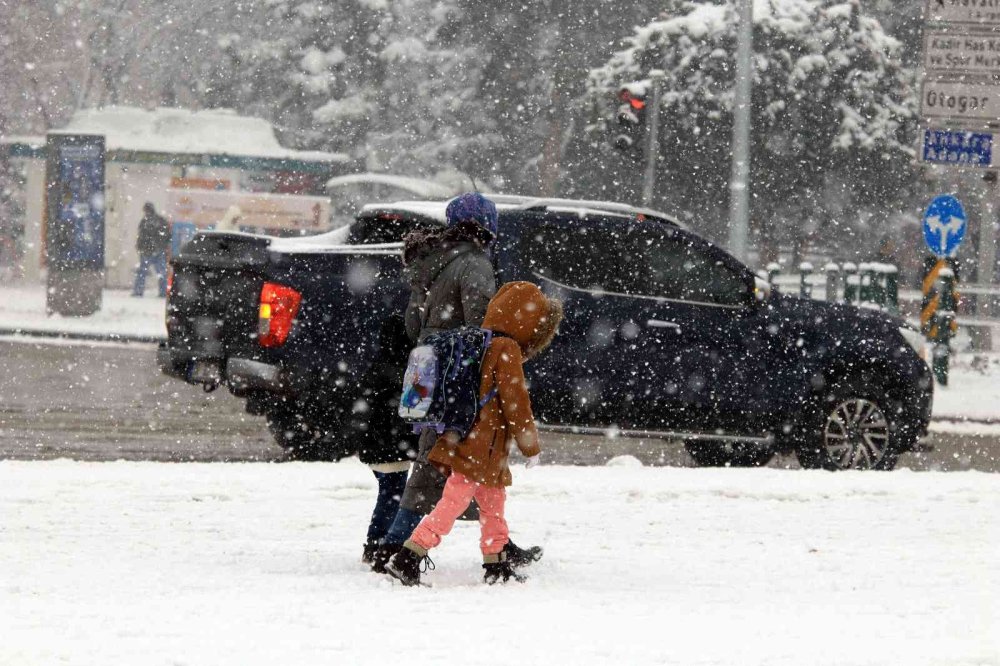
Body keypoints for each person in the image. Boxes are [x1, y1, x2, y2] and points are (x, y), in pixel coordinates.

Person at [370, 192, 541, 573]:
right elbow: (484, 323)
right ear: (488, 225)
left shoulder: (432, 262)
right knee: (446, 455)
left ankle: (498, 542)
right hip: (458, 372)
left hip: (427, 367)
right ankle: (396, 546)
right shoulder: (475, 263)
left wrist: (435, 338)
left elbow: (413, 324)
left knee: (463, 456)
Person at [385, 281, 562, 586]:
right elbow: (516, 401)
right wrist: (530, 445)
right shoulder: (506, 349)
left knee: (493, 504)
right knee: (453, 502)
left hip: (471, 440)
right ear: (526, 322)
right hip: (480, 447)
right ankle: (409, 555)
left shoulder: (482, 341)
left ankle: (496, 562)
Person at [353, 313, 421, 564]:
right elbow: (404, 413)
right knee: (393, 494)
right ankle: (379, 541)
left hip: (377, 445)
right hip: (390, 447)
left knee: (389, 492)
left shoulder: (378, 366)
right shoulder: (403, 371)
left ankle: (379, 541)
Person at [132, 202, 170, 297]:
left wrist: (140, 247)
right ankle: (163, 292)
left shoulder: (145, 221)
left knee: (142, 272)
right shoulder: (160, 220)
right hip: (158, 250)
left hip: (147, 251)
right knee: (161, 273)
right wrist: (163, 246)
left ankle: (138, 291)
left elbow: (141, 236)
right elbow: (168, 235)